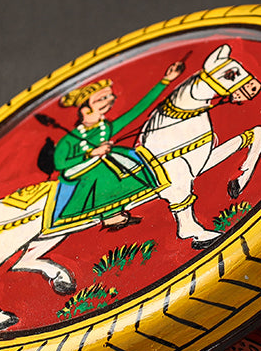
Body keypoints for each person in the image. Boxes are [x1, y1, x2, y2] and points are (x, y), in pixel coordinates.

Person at [48, 61, 183, 231]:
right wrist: (91, 153)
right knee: (101, 172)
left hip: (103, 158)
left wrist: (165, 81)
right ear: (85, 109)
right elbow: (60, 164)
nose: (110, 100)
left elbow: (137, 111)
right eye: (101, 99)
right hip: (78, 169)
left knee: (130, 160)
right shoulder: (69, 139)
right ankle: (110, 216)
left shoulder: (105, 127)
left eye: (109, 97)